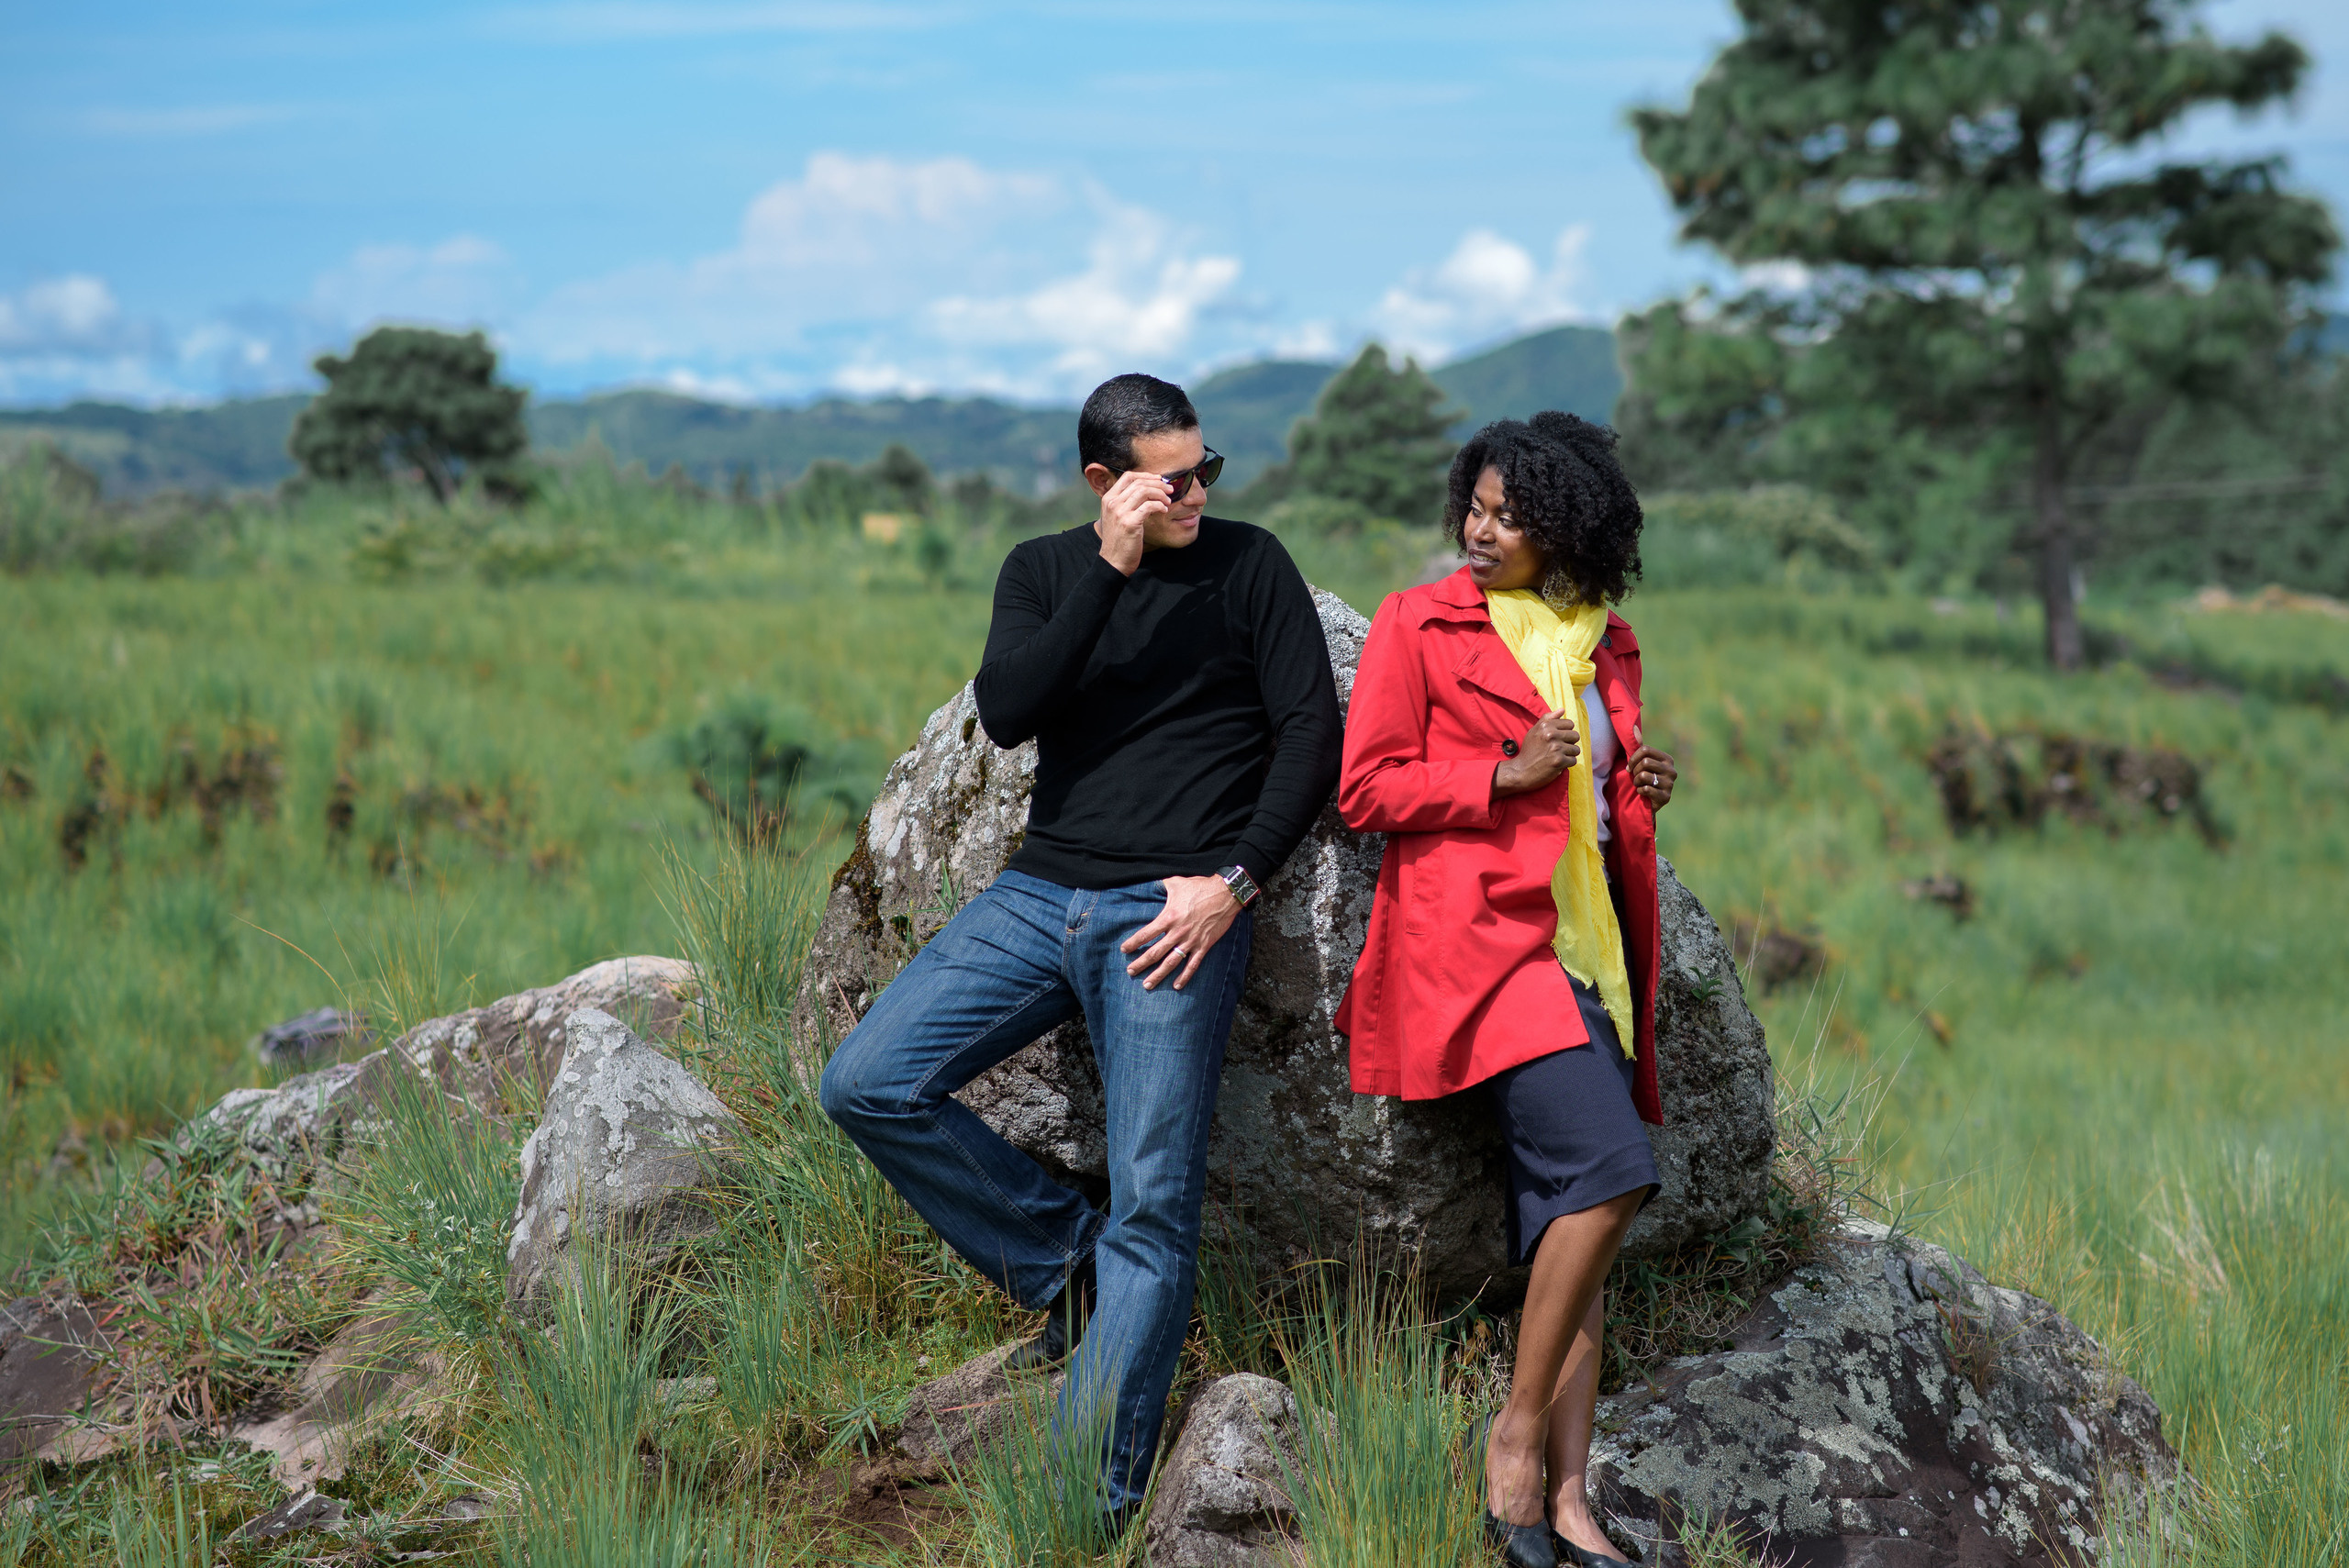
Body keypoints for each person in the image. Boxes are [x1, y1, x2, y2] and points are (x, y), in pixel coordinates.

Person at [818, 373, 1343, 1529]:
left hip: (1173, 909)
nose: (1200, 489)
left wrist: (1232, 885)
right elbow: (1008, 708)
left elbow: (1312, 732)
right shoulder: (1045, 569)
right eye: (1174, 477)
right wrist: (1111, 568)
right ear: (1108, 483)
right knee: (864, 1082)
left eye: (1209, 466)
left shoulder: (1250, 563)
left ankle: (1078, 1506)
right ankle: (1075, 1272)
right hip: (1036, 891)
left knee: (1155, 1203)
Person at [1333, 412, 1679, 1568]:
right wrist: (1499, 771)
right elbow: (1368, 787)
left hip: (1588, 951)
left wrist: (1639, 786)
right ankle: (1515, 1442)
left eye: (1509, 517)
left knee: (1577, 1223)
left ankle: (1568, 1509)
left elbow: (1589, 811)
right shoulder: (1417, 623)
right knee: (1613, 1176)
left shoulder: (1604, 642)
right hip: (1483, 946)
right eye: (1474, 509)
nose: (1480, 532)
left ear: (1565, 528)